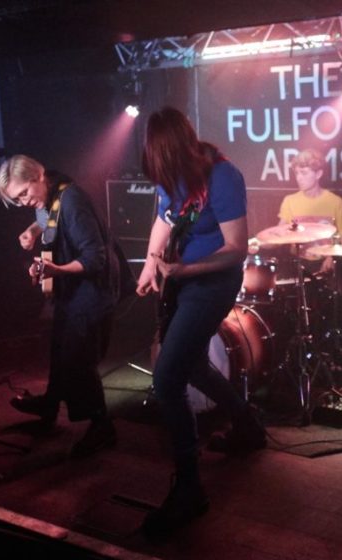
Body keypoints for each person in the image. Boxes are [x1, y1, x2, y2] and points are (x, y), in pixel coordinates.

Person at [135, 107, 266, 538]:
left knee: (169, 376)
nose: (162, 178)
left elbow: (236, 249)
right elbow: (163, 218)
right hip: (181, 281)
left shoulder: (223, 176)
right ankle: (246, 424)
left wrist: (183, 273)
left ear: (179, 150)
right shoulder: (170, 176)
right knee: (189, 366)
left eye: (164, 165)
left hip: (212, 284)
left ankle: (190, 489)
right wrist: (150, 266)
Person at [0, 155, 120, 458]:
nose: (23, 201)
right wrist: (33, 232)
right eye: (16, 199)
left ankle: (102, 426)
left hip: (93, 290)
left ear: (38, 176)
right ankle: (49, 407)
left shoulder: (72, 201)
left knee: (79, 358)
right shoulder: (50, 191)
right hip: (73, 288)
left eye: (24, 193)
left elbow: (95, 259)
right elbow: (46, 216)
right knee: (59, 348)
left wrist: (55, 271)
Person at [277, 148, 342, 274]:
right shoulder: (289, 201)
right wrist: (256, 242)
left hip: (326, 266)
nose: (299, 178)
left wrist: (332, 258)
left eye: (304, 173)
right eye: (296, 173)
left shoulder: (336, 202)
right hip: (297, 266)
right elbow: (277, 234)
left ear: (318, 174)